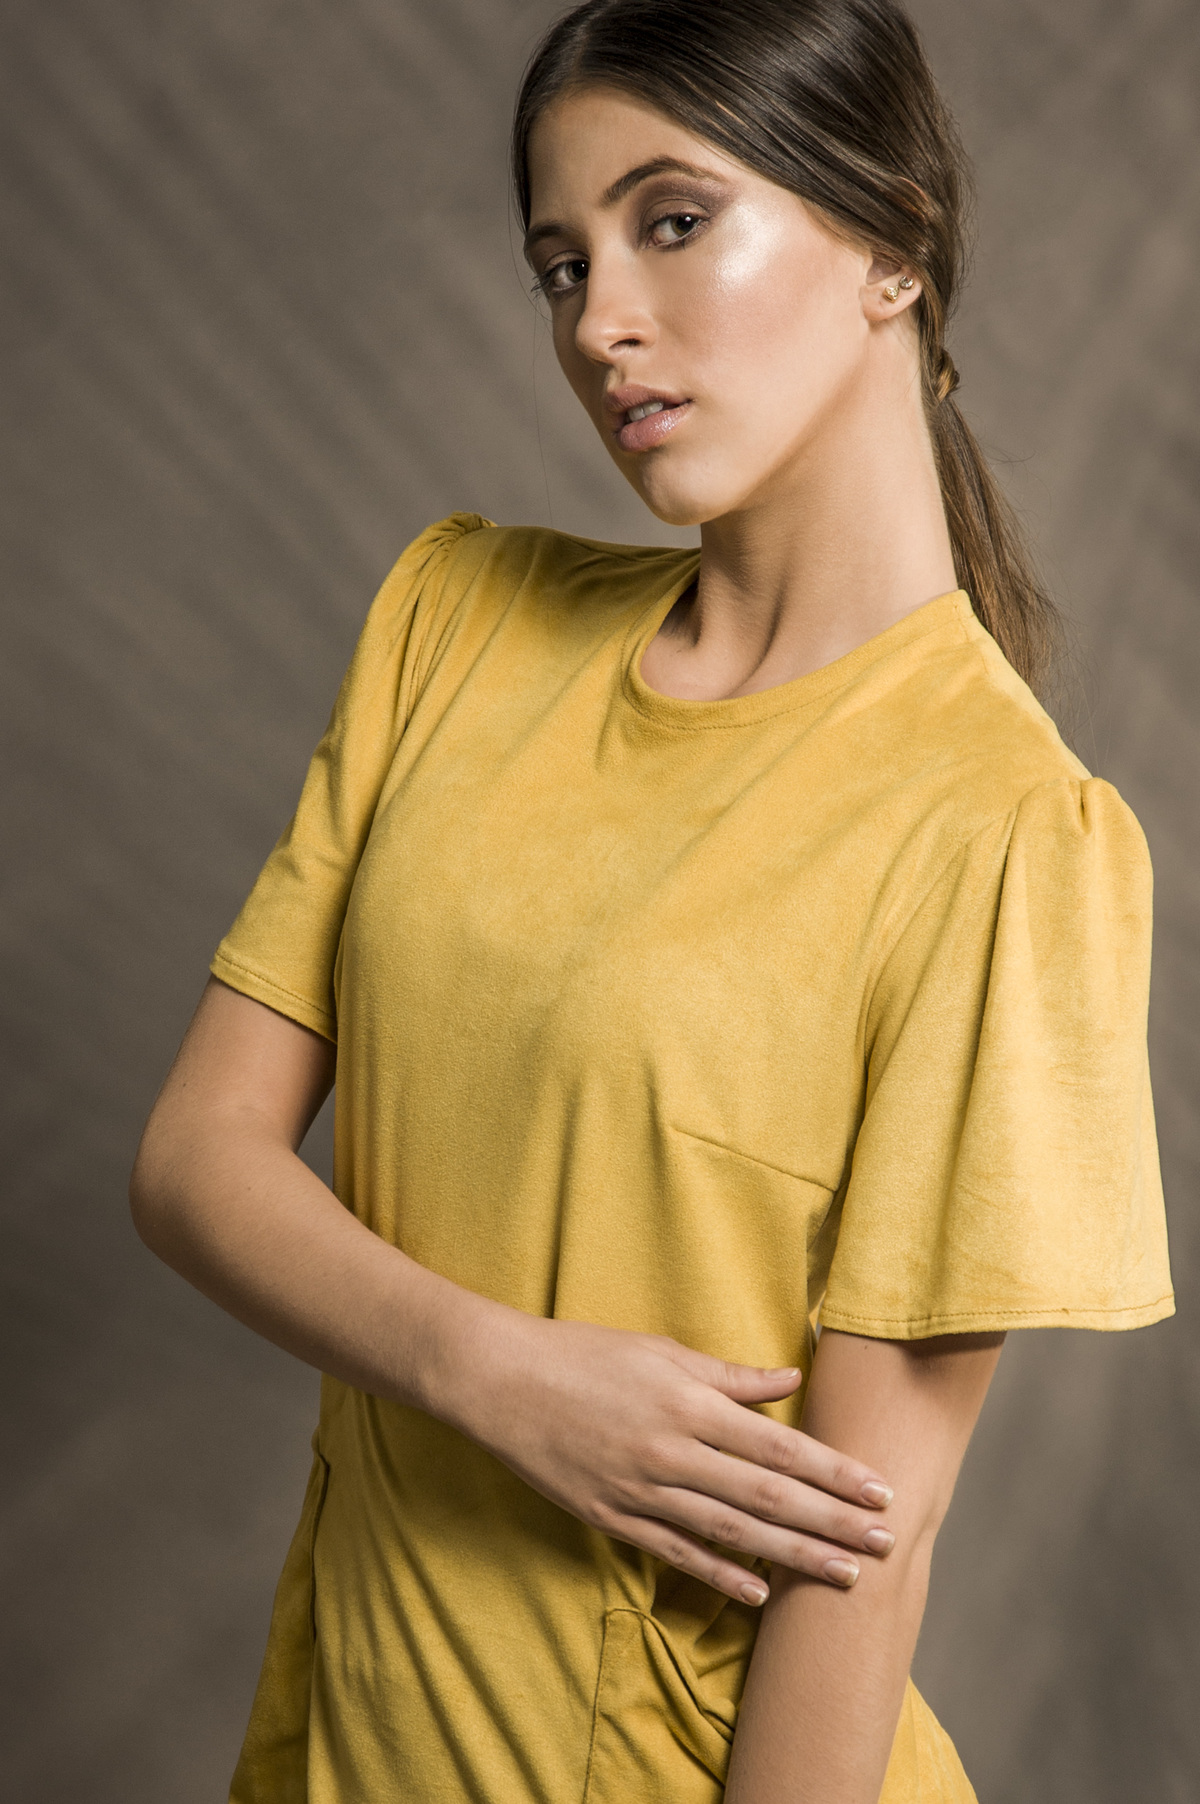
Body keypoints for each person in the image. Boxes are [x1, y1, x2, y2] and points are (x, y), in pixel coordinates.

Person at [129, 1, 1174, 1799]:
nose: (599, 322)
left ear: (893, 245)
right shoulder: (454, 623)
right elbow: (192, 1161)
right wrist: (494, 1372)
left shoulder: (1004, 830)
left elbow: (864, 1550)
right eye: (562, 264)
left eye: (671, 222)